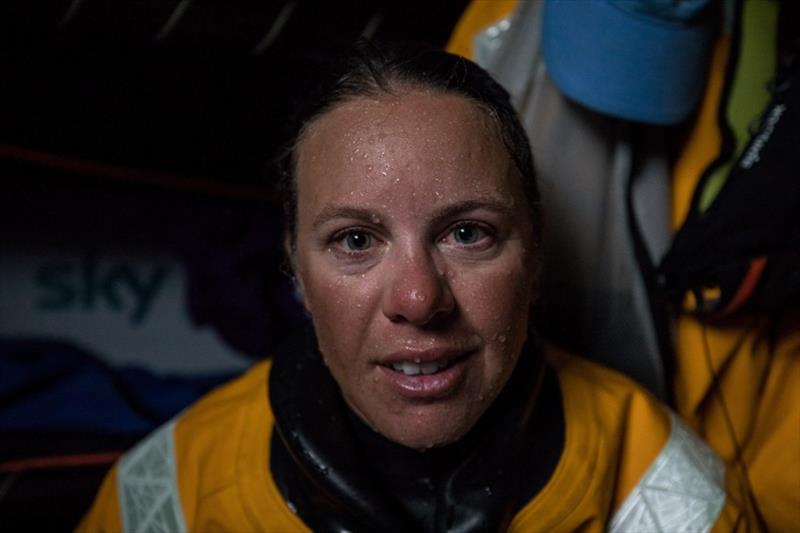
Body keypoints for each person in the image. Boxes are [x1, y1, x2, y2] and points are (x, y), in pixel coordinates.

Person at [78, 42, 748, 532]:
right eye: (356, 241)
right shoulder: (172, 495)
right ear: (297, 271)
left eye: (468, 233)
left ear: (535, 256)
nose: (420, 300)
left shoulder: (658, 486)